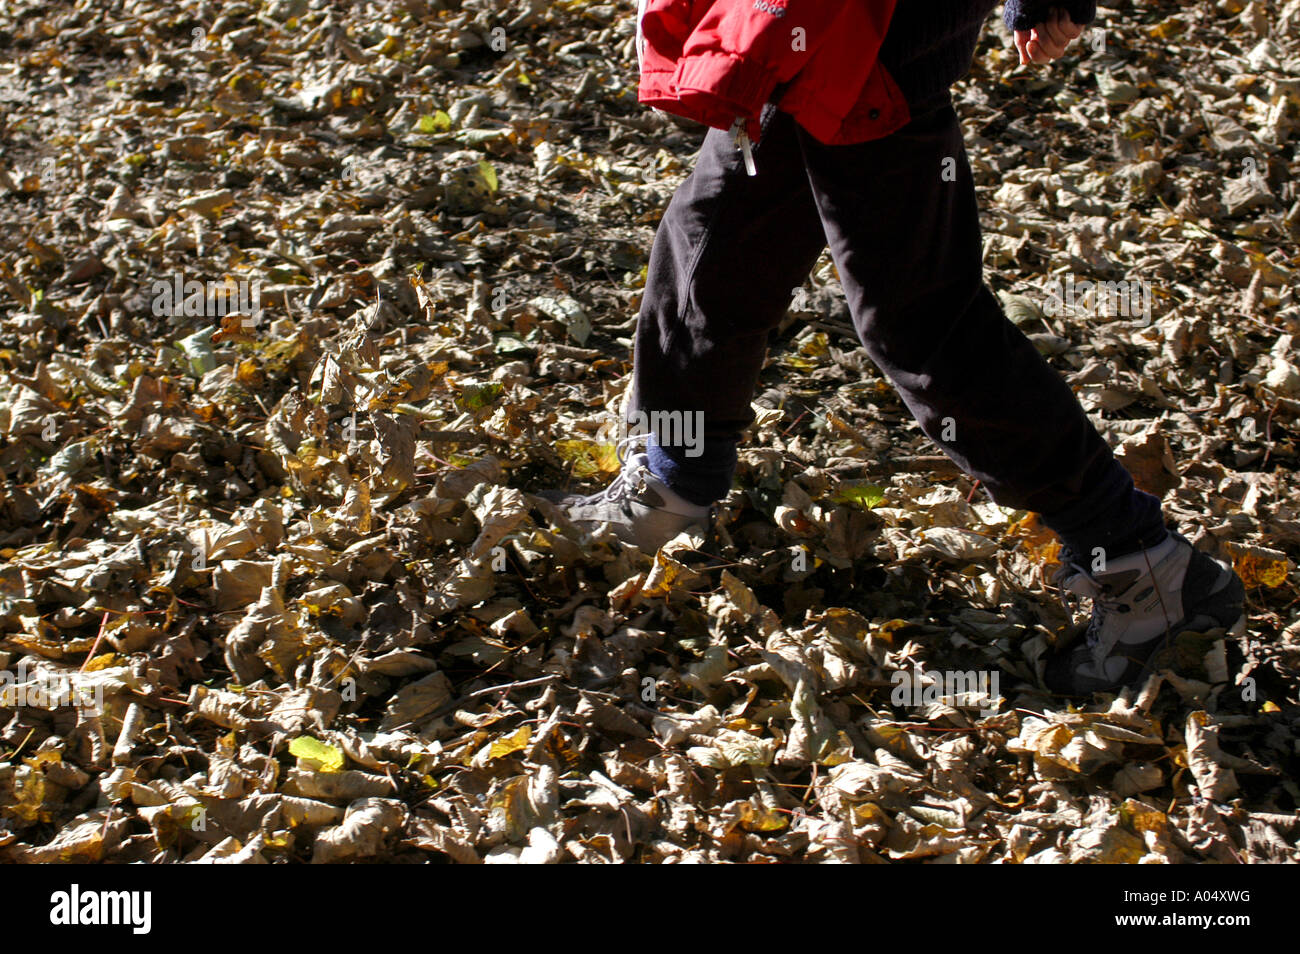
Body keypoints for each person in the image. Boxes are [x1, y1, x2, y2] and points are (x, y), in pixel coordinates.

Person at [541, 1, 1246, 695]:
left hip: (876, 40)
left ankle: (1138, 561)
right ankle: (675, 477)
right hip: (793, 26)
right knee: (714, 241)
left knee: (921, 321)